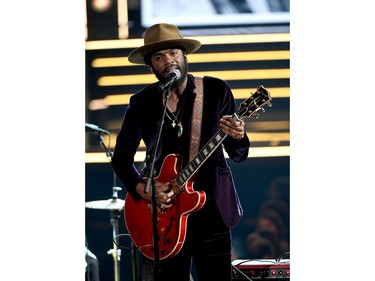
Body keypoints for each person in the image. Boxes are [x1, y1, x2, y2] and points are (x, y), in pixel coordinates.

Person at [111, 23, 250, 281]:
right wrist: (144, 190)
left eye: (173, 53)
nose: (168, 60)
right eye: (159, 56)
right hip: (162, 217)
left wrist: (239, 136)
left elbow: (238, 153)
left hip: (212, 211)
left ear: (184, 56)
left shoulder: (216, 90)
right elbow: (121, 159)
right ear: (150, 66)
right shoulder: (141, 103)